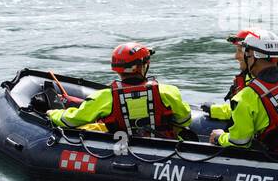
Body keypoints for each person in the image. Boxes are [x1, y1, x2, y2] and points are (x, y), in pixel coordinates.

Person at [49, 42, 193, 139]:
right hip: (166, 149)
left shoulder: (104, 97)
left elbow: (70, 121)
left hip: (122, 150)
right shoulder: (168, 92)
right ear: (143, 66)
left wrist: (53, 113)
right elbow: (184, 120)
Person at [207, 29, 257, 122]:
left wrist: (216, 111)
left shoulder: (256, 86)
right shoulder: (249, 78)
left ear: (256, 54)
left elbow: (244, 114)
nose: (236, 56)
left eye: (240, 51)